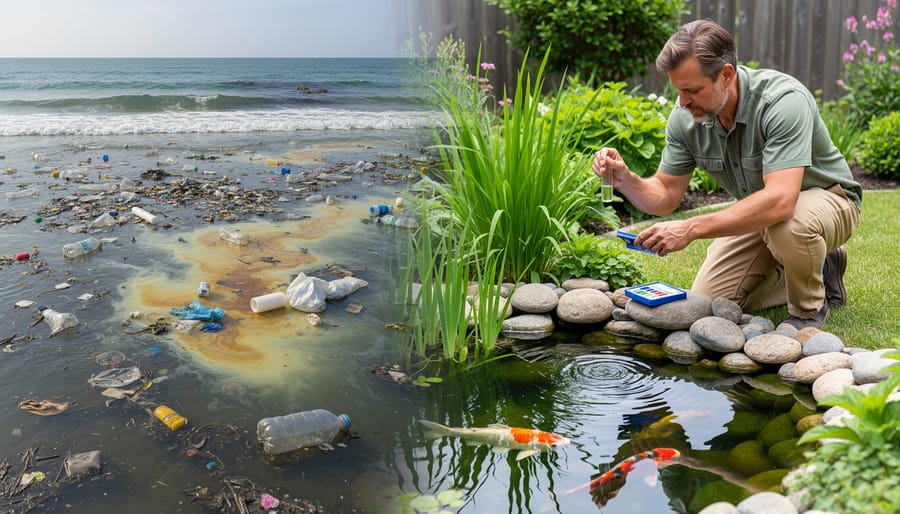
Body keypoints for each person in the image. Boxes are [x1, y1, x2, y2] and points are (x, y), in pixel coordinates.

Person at [593, 19, 862, 330]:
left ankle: (807, 311)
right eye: (678, 90)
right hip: (761, 212)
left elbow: (781, 202)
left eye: (692, 90)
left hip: (827, 199)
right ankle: (821, 265)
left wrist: (691, 228)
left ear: (726, 75)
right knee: (709, 299)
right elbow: (666, 193)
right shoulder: (686, 118)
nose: (682, 101)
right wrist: (625, 179)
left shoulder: (782, 102)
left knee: (791, 225)